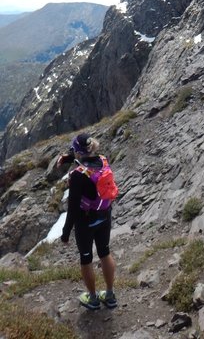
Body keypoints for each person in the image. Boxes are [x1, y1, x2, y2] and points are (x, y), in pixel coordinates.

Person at [59, 132, 117, 310]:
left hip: (85, 222)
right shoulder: (102, 160)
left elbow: (73, 208)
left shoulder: (77, 176)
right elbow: (86, 160)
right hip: (104, 215)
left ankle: (92, 299)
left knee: (86, 259)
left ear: (78, 152)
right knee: (104, 253)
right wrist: (69, 157)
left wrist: (66, 233)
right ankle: (110, 295)